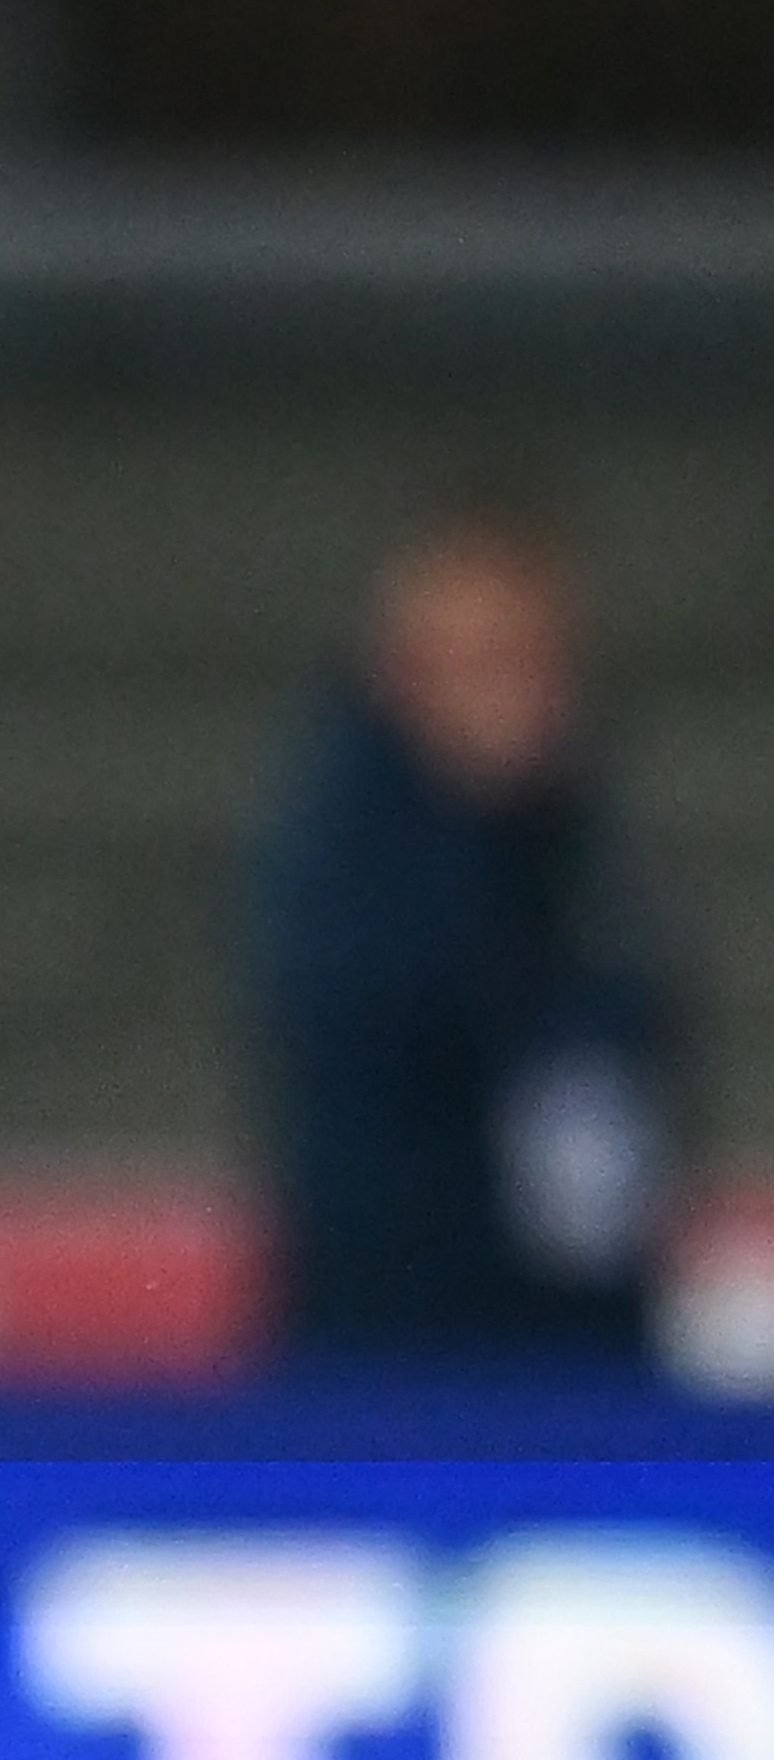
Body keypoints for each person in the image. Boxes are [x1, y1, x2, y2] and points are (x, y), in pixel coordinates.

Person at [253, 504, 681, 1368]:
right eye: (486, 662)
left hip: (584, 1354)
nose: (521, 697)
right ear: (402, 672)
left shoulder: (579, 844)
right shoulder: (340, 860)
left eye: (540, 661)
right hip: (399, 1360)